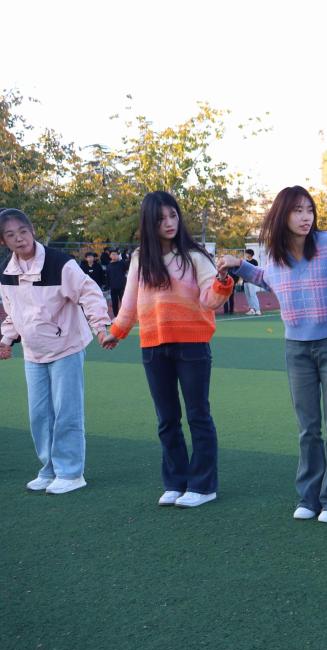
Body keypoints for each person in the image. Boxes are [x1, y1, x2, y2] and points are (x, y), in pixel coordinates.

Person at [217, 186, 327, 523]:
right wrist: (238, 265)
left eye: (309, 210)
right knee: (308, 428)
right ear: (282, 215)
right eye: (297, 211)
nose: (306, 217)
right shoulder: (276, 253)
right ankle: (309, 497)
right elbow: (267, 279)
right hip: (297, 348)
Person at [103, 191, 234, 508]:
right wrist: (116, 331)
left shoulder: (194, 255)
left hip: (192, 344)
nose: (169, 222)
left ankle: (203, 486)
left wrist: (222, 282)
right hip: (153, 345)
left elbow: (210, 300)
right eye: (161, 218)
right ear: (149, 222)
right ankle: (176, 482)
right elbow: (130, 301)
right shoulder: (140, 258)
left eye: (173, 215)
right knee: (167, 419)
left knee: (198, 415)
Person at [0, 208, 112, 494]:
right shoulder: (7, 272)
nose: (19, 239)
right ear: (3, 241)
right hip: (33, 352)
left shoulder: (60, 263)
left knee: (66, 412)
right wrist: (6, 339)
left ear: (32, 231)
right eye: (11, 235)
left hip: (66, 347)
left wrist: (101, 327)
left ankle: (71, 473)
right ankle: (49, 469)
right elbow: (13, 311)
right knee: (39, 415)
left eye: (23, 232)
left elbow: (89, 293)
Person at [106, 249, 129, 317]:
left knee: (124, 302)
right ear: (110, 256)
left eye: (116, 254)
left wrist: (121, 259)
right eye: (113, 254)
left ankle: (125, 316)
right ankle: (116, 316)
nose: (114, 256)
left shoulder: (121, 263)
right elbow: (108, 277)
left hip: (122, 287)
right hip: (113, 287)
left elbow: (127, 267)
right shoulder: (108, 266)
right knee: (114, 303)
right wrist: (108, 286)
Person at [241, 249, 262, 315]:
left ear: (250, 254)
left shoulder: (254, 262)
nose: (245, 254)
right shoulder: (244, 262)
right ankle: (252, 309)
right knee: (248, 296)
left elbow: (256, 271)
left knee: (253, 295)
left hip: (251, 281)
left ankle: (258, 310)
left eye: (246, 253)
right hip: (245, 281)